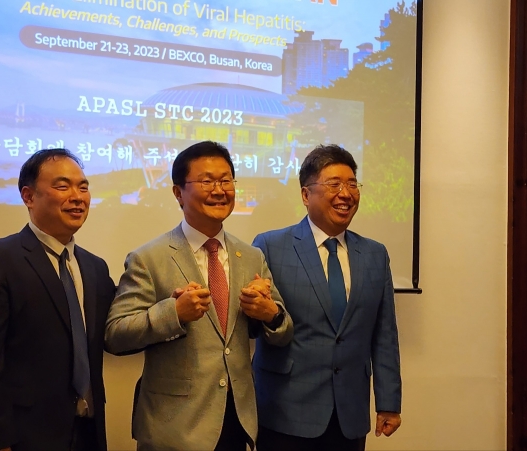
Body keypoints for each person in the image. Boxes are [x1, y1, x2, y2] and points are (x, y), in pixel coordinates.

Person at [105, 140, 294, 451]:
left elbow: (284, 331)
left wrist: (269, 314)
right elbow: (115, 335)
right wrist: (173, 313)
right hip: (174, 429)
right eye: (206, 181)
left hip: (237, 421)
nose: (219, 190)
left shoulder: (251, 257)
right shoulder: (148, 258)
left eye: (226, 181)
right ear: (178, 193)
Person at [0, 148, 116, 451]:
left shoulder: (95, 267)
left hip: (86, 433)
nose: (77, 197)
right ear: (28, 196)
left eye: (83, 187)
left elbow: (116, 330)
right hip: (20, 438)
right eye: (63, 186)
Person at [251, 144, 402, 451]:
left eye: (352, 184)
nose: (346, 194)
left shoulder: (375, 254)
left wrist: (388, 402)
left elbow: (384, 334)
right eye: (334, 184)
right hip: (284, 411)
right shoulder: (270, 246)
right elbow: (252, 328)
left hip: (349, 414)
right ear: (306, 195)